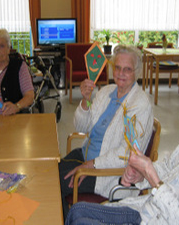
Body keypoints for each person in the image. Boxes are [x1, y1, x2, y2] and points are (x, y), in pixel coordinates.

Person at [65, 76, 179, 225]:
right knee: (77, 211)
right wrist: (141, 175)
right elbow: (168, 166)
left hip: (161, 219)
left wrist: (153, 179)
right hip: (147, 211)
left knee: (81, 221)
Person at [59, 45, 154, 218]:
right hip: (86, 157)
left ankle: (67, 220)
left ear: (137, 72)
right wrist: (85, 101)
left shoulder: (140, 104)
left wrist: (91, 165)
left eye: (127, 69)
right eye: (117, 67)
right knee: (50, 173)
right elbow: (82, 127)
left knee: (55, 184)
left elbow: (127, 153)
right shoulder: (106, 92)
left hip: (106, 173)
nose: (120, 73)